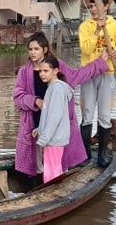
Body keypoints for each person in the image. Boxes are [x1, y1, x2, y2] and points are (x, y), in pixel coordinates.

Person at [13, 32, 108, 183]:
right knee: (37, 160)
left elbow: (77, 76)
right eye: (30, 49)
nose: (32, 53)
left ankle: (55, 182)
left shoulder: (57, 66)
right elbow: (18, 97)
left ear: (45, 50)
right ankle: (39, 183)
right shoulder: (24, 72)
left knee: (55, 158)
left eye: (36, 49)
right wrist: (35, 101)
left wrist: (99, 63)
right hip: (34, 120)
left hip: (56, 121)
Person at [78, 0, 116, 167]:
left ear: (106, 7)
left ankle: (102, 155)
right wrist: (97, 31)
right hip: (88, 73)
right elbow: (86, 49)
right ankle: (85, 155)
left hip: (107, 73)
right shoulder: (86, 26)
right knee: (87, 113)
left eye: (97, 5)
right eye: (91, 6)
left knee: (104, 115)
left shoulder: (115, 27)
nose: (93, 9)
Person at [32, 56, 75, 183]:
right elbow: (48, 114)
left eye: (46, 71)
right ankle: (55, 189)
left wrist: (43, 138)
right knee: (53, 169)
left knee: (51, 172)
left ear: (55, 71)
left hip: (54, 139)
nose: (42, 74)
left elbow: (55, 116)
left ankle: (54, 192)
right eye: (40, 71)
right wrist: (40, 129)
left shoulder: (57, 89)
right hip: (53, 137)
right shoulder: (52, 87)